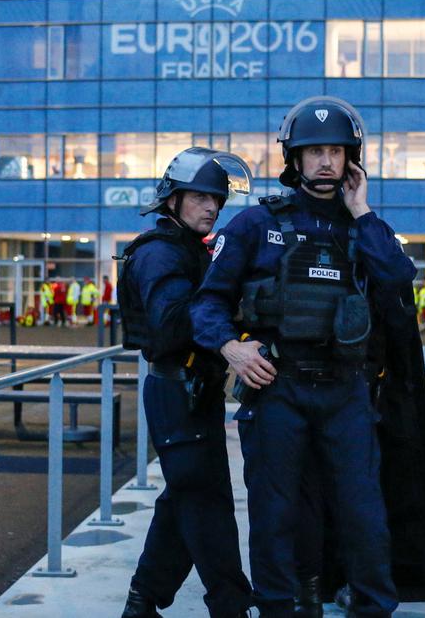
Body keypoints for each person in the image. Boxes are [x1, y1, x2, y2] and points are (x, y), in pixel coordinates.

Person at [192, 96, 418, 617]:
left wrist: (362, 211)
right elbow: (207, 303)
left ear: (351, 160)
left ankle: (373, 605)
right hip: (277, 389)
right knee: (274, 513)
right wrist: (232, 347)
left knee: (363, 510)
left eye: (335, 152)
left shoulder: (364, 228)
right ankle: (276, 607)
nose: (325, 162)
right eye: (313, 151)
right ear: (293, 159)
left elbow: (398, 288)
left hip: (347, 390)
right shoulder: (253, 224)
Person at [119, 147, 255, 618]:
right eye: (199, 197)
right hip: (176, 390)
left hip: (193, 390)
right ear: (172, 200)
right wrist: (229, 311)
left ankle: (141, 602)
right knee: (207, 501)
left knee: (184, 496)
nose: (211, 207)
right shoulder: (159, 253)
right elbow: (173, 322)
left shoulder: (188, 250)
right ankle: (231, 605)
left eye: (216, 199)